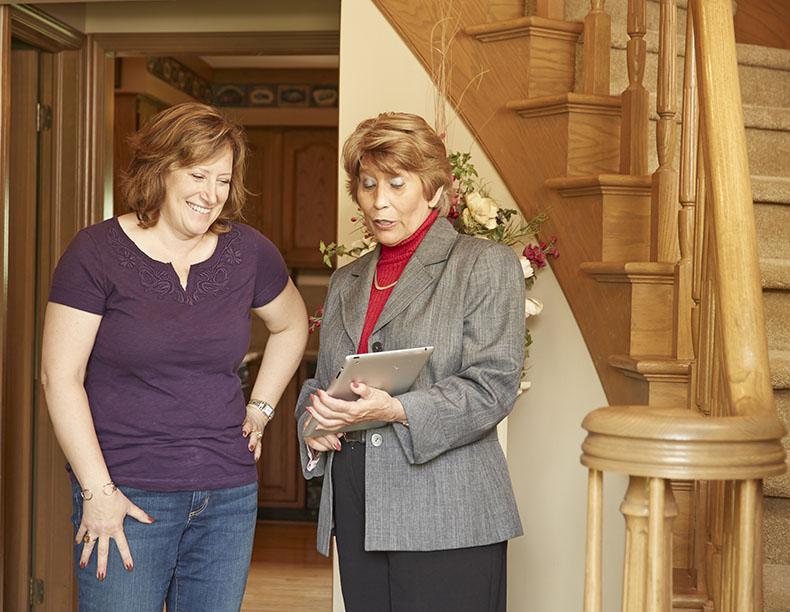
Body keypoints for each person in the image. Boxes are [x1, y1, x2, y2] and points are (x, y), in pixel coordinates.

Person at [41, 102, 308, 612]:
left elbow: (293, 324)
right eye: (198, 174)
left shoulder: (249, 253)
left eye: (224, 180)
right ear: (161, 169)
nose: (212, 195)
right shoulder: (94, 253)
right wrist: (97, 492)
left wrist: (262, 407)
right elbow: (60, 377)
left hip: (227, 496)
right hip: (125, 495)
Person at [296, 112, 525, 612]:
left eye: (397, 184)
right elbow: (320, 382)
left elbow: (494, 386)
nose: (379, 201)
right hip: (356, 505)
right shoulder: (347, 280)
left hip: (447, 507)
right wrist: (312, 427)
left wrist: (396, 410)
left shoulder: (485, 264)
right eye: (368, 184)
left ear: (435, 190)